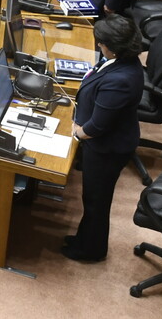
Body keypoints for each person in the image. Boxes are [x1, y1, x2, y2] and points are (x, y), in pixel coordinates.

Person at [63, 14, 145, 263]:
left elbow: (98, 126)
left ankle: (91, 251)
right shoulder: (122, 61)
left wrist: (77, 132)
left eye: (101, 43)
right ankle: (84, 239)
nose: (99, 45)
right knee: (92, 198)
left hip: (108, 149)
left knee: (96, 201)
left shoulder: (121, 80)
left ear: (113, 47)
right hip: (104, 142)